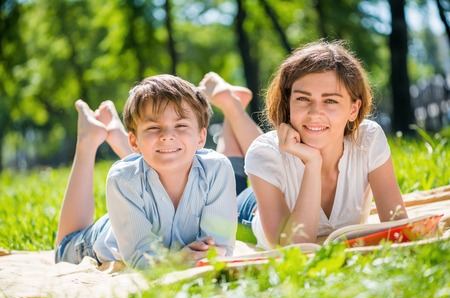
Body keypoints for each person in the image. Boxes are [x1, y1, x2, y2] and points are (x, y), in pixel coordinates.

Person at [237, 40, 409, 250]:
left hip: (272, 171)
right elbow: (293, 249)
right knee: (236, 170)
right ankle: (232, 106)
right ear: (288, 103)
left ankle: (233, 104)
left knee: (264, 152)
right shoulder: (264, 152)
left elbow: (399, 227)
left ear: (353, 110)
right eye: (302, 98)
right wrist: (312, 163)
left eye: (330, 101)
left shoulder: (369, 139)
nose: (315, 113)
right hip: (248, 211)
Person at [55, 74, 238, 270]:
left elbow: (218, 247)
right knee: (62, 249)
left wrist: (196, 255)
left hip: (137, 213)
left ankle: (115, 133)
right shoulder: (122, 179)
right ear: (133, 141)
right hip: (103, 240)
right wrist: (178, 260)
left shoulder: (217, 169)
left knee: (148, 165)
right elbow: (140, 258)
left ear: (201, 137)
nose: (167, 135)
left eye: (181, 125)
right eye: (153, 127)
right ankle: (87, 140)